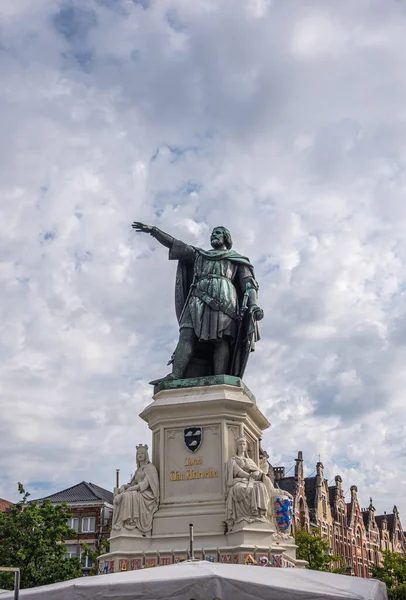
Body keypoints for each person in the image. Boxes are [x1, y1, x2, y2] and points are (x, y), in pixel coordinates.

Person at [132, 222, 264, 383]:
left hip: (225, 298)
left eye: (219, 233)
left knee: (221, 339)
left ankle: (219, 378)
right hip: (197, 298)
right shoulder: (199, 255)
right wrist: (154, 231)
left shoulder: (236, 259)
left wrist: (254, 305)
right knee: (186, 334)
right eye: (213, 233)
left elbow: (249, 285)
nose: (214, 235)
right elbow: (176, 244)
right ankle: (176, 375)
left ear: (226, 238)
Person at [225, 437, 273, 528]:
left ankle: (258, 513)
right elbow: (238, 472)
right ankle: (242, 516)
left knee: (261, 486)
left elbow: (258, 470)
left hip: (250, 480)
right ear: (236, 446)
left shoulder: (249, 460)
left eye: (244, 444)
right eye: (240, 444)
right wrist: (249, 476)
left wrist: (257, 473)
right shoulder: (233, 460)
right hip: (239, 481)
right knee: (238, 488)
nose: (242, 446)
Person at [112, 444, 159, 535]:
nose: (140, 455)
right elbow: (132, 484)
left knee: (127, 496)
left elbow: (143, 485)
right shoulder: (138, 470)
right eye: (138, 454)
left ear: (146, 455)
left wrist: (127, 490)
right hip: (138, 492)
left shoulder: (150, 468)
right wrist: (123, 487)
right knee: (125, 495)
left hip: (147, 494)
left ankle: (130, 522)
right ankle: (119, 524)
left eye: (142, 453)